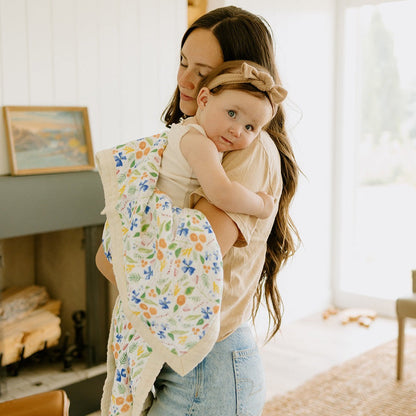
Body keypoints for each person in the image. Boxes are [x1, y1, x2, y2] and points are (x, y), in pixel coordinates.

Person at [96, 6, 299, 416]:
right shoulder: (190, 142)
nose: (186, 81)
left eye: (202, 72)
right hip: (178, 358)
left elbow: (176, 266)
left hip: (210, 369)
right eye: (183, 62)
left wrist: (122, 250)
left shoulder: (249, 152)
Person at [158, 60, 287, 221]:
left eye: (249, 127)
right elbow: (222, 194)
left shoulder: (189, 129)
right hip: (164, 224)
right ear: (204, 100)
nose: (237, 131)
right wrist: (261, 205)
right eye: (232, 114)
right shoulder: (199, 143)